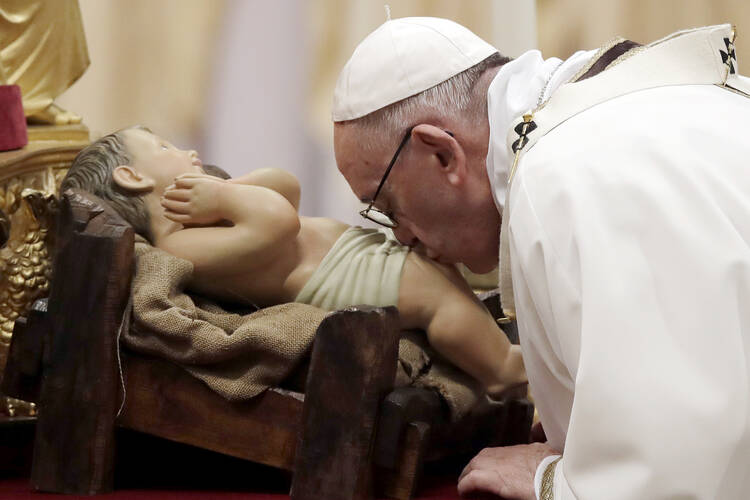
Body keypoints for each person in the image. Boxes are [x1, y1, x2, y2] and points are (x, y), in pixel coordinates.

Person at [332, 16, 750, 500]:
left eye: (387, 206)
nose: (400, 237)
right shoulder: (660, 108)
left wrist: (548, 481)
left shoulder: (562, 174)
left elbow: (674, 468)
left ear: (441, 153)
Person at [59, 125, 527, 400]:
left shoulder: (210, 212)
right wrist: (225, 195)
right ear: (132, 176)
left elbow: (287, 187)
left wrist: (226, 191)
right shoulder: (180, 248)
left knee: (444, 277)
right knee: (441, 303)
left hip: (355, 257)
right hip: (343, 280)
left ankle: (506, 351)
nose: (187, 152)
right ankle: (504, 371)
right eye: (164, 149)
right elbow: (278, 222)